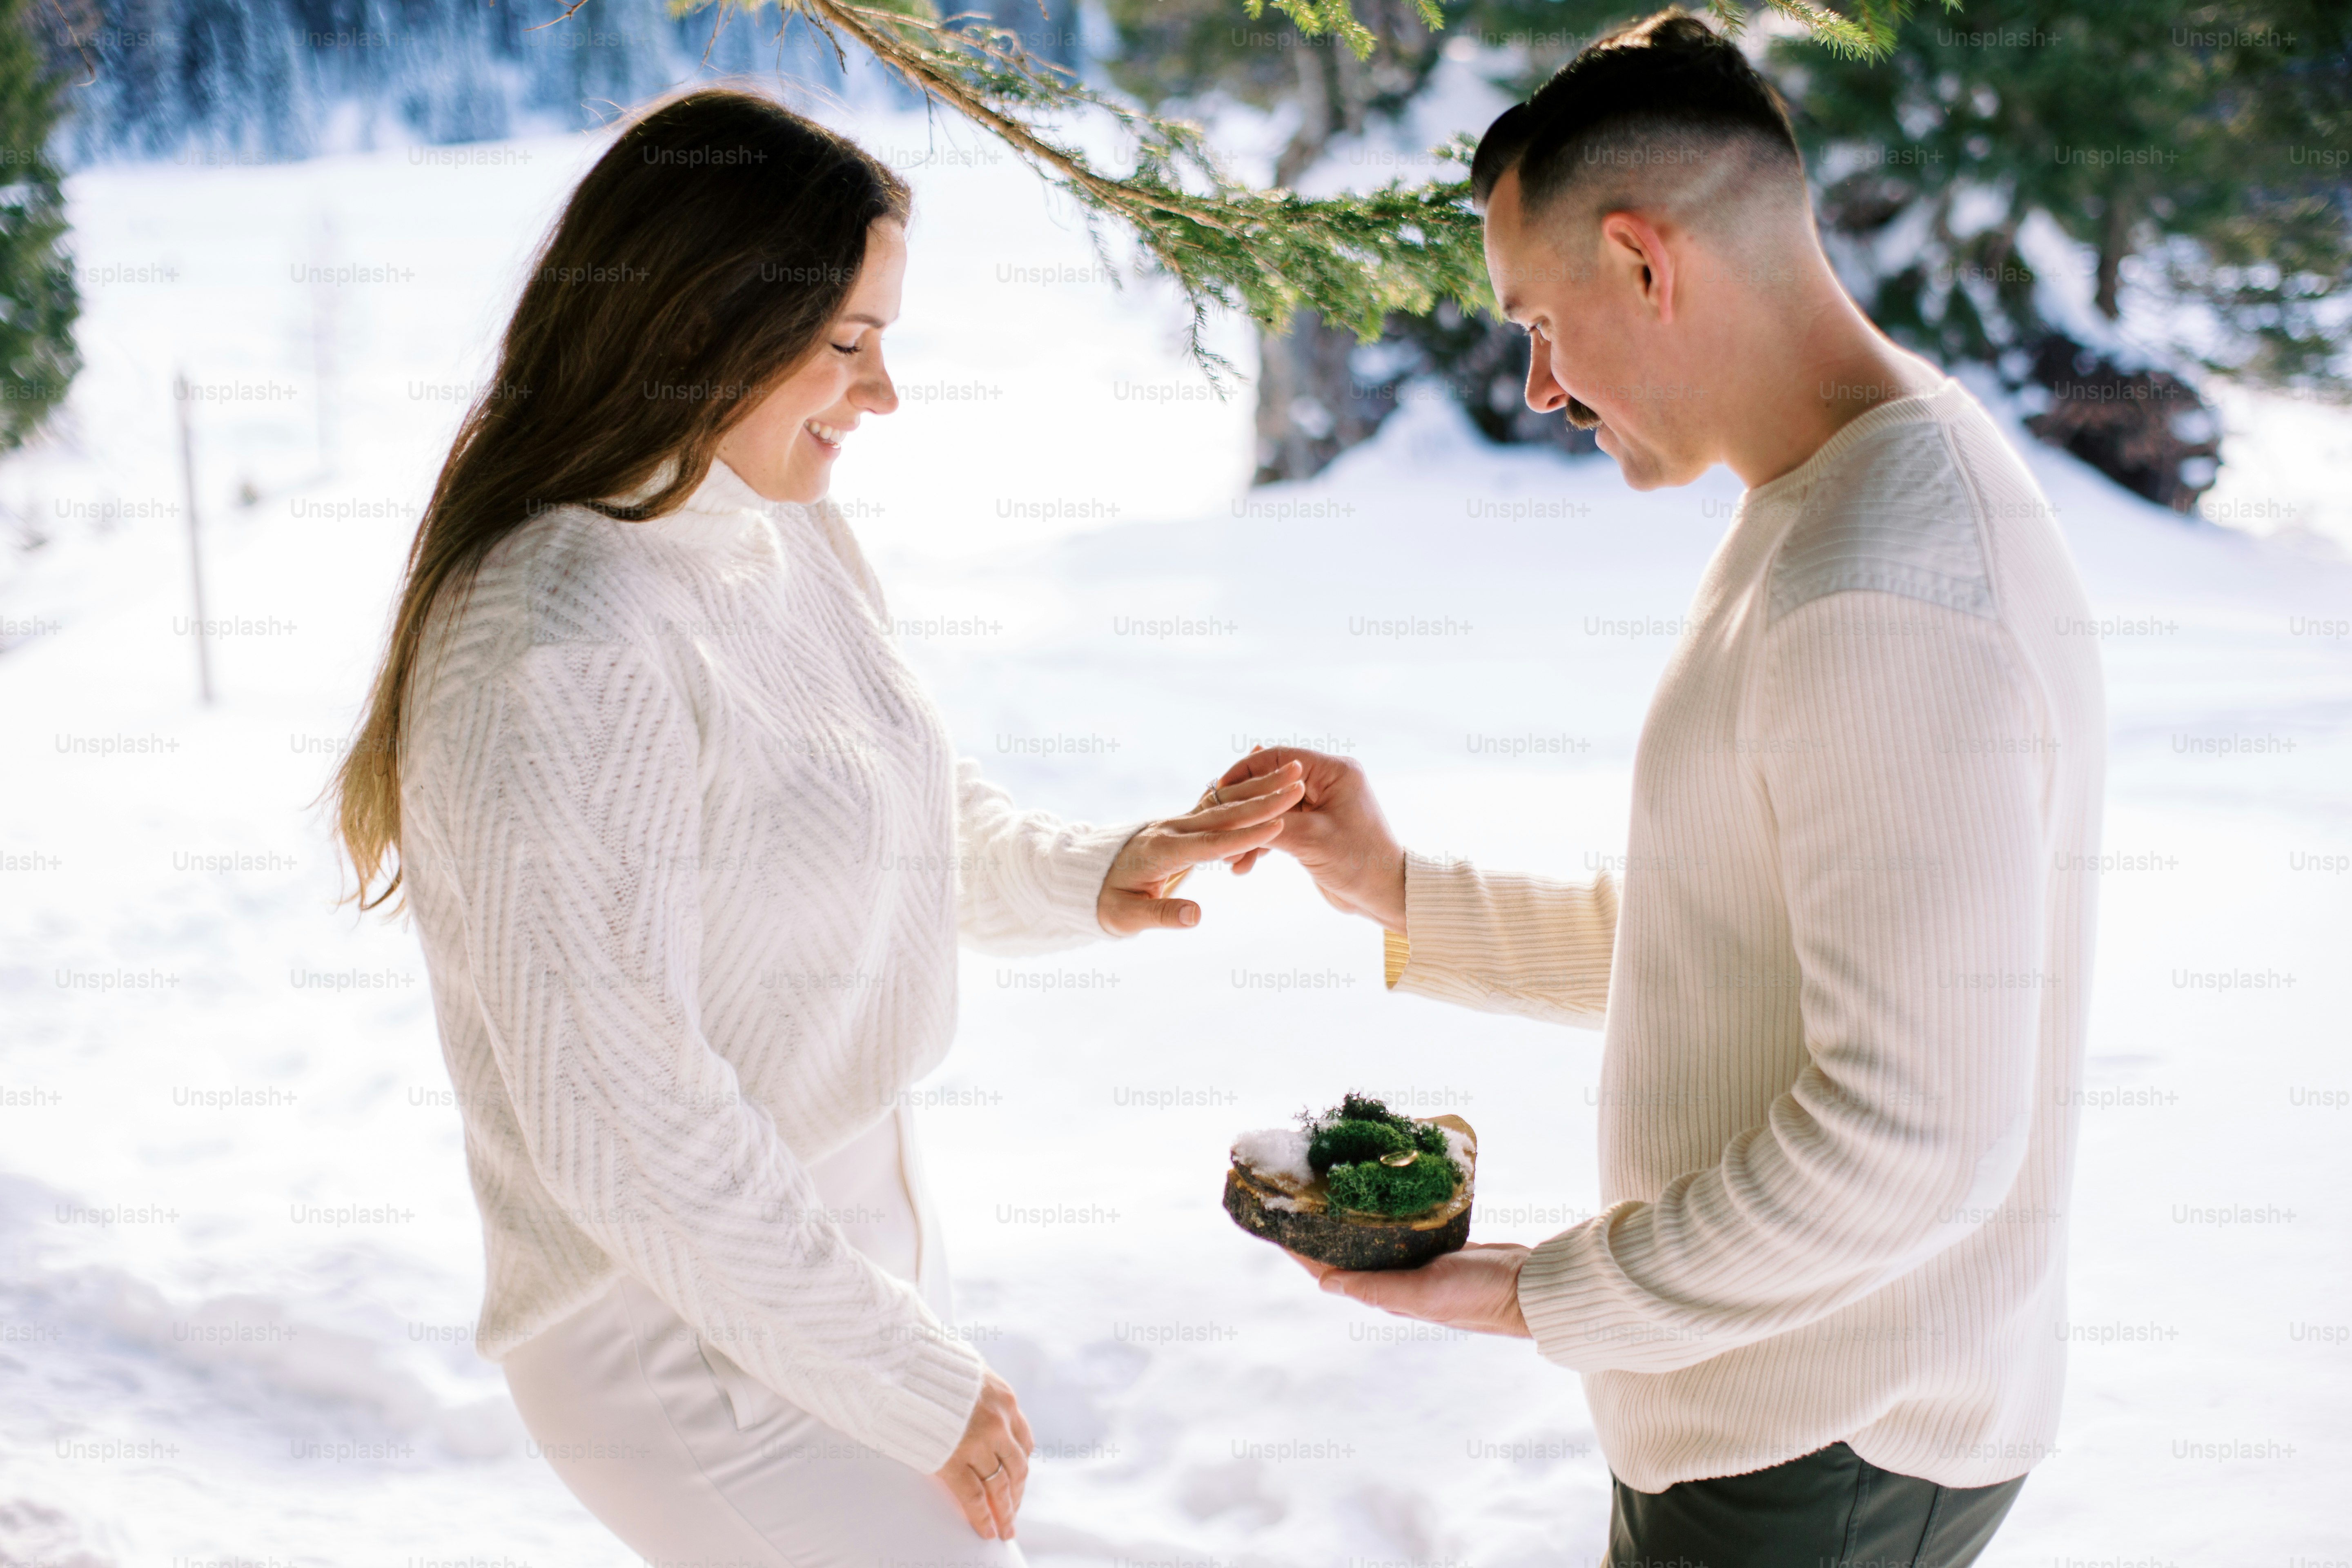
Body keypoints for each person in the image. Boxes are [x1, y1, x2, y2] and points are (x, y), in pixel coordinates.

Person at [324, 90, 1304, 1566]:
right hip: (679, 1329)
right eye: (848, 343)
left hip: (835, 1257)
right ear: (696, 321)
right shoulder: (564, 638)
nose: (885, 393)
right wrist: (908, 1380)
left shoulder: (770, 524)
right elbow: (624, 1114)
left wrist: (1096, 870)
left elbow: (880, 803)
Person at [1216, 12, 2105, 1568]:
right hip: (1781, 1416)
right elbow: (1736, 936)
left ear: (1644, 260)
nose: (1543, 385)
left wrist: (1538, 1294)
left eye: (1539, 321)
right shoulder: (1843, 496)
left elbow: (1915, 1142)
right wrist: (1398, 893)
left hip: (1822, 1441)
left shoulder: (1878, 588)